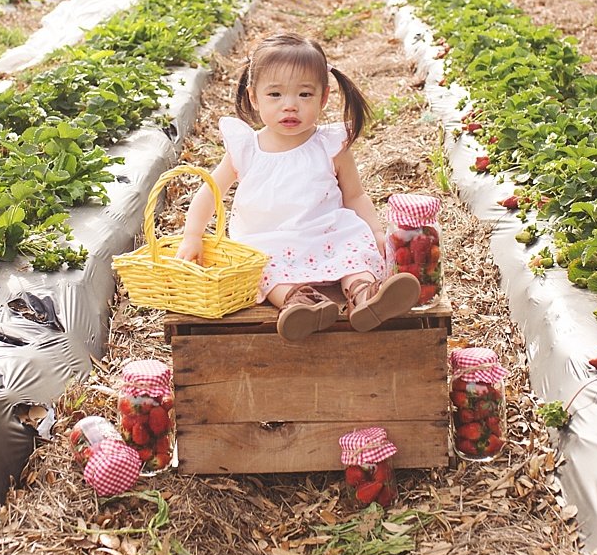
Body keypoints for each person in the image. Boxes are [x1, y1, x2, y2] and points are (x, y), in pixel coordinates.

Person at [175, 32, 420, 341]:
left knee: (355, 245)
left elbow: (355, 195)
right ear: (254, 97)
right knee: (262, 266)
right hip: (267, 239)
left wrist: (375, 232)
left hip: (327, 232)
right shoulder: (246, 148)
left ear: (324, 97)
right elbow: (211, 191)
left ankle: (365, 294)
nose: (290, 106)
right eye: (275, 95)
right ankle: (298, 303)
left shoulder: (330, 145)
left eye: (304, 95)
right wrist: (192, 235)